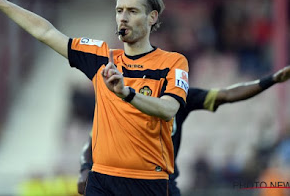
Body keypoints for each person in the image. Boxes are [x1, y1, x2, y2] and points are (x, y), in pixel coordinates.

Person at [0, 0, 189, 195]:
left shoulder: (173, 62)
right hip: (101, 180)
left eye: (132, 11)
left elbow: (169, 109)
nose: (123, 17)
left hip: (148, 181)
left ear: (152, 17)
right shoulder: (101, 57)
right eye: (119, 11)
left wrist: (127, 93)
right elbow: (45, 31)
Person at [77, 66, 290, 195]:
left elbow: (227, 95)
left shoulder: (182, 98)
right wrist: (86, 169)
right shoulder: (125, 102)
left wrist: (269, 81)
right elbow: (93, 140)